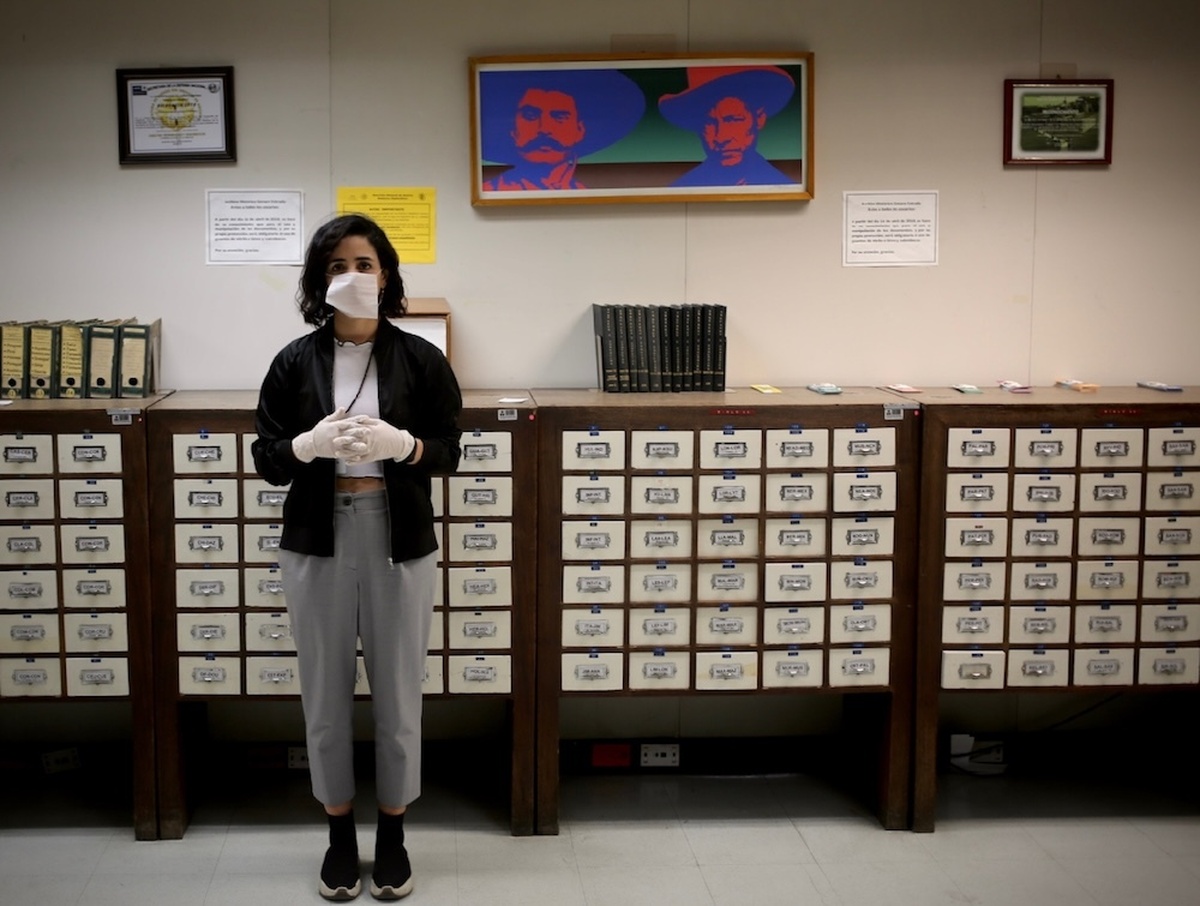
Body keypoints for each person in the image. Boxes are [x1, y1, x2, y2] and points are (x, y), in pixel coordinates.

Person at [252, 213, 462, 901]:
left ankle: (393, 834)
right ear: (319, 280)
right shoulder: (292, 361)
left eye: (365, 263)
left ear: (387, 274)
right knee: (324, 695)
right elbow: (268, 459)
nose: (353, 276)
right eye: (338, 265)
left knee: (399, 694)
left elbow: (450, 452)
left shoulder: (420, 359)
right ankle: (339, 834)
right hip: (318, 532)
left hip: (396, 531)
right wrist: (307, 447)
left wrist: (401, 447)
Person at [479, 68, 644, 190]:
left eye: (559, 117)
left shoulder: (585, 195)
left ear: (579, 130)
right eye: (530, 116)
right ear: (513, 131)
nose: (544, 129)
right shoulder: (491, 190)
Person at [658, 65, 799, 187]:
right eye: (710, 123)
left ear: (759, 119)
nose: (721, 137)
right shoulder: (682, 189)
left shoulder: (783, 187)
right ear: (697, 127)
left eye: (733, 120)